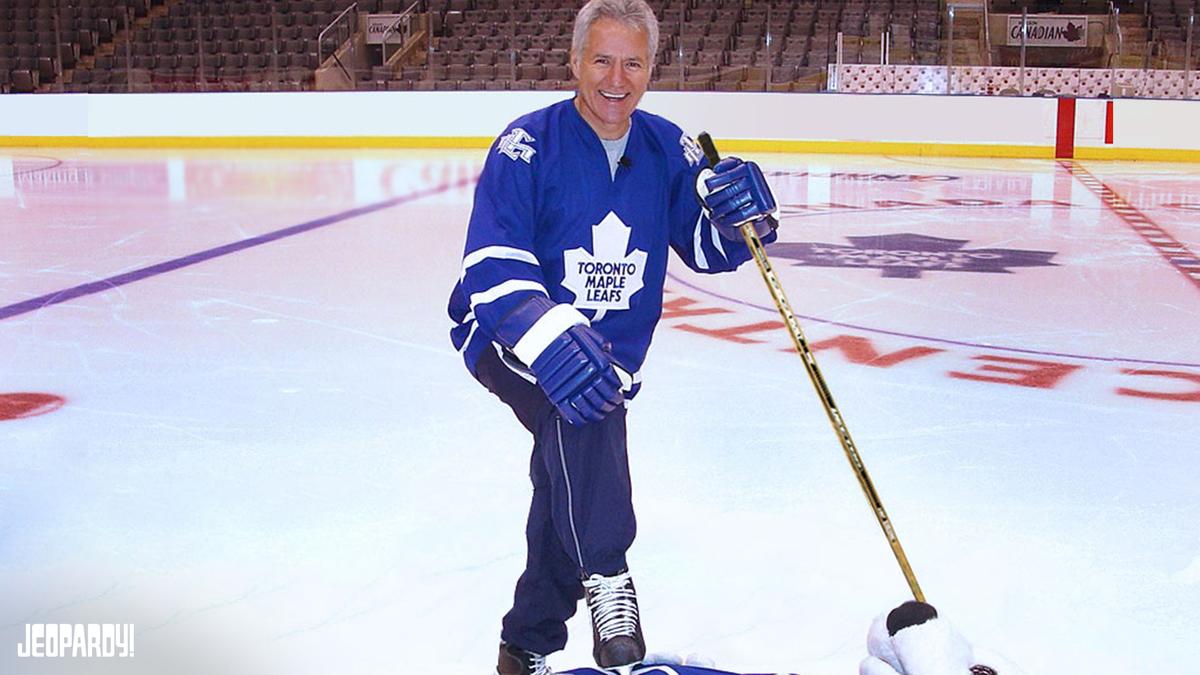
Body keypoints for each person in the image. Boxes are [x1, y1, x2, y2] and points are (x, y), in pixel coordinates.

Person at [446, 1, 779, 673]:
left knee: (567, 464)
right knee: (584, 397)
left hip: (607, 353)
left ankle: (528, 643)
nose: (615, 78)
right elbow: (491, 260)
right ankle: (608, 574)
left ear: (651, 68)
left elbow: (705, 248)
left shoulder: (668, 147)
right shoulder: (526, 143)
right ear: (574, 61)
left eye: (633, 62)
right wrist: (549, 334)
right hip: (501, 329)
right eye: (601, 59)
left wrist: (743, 219)